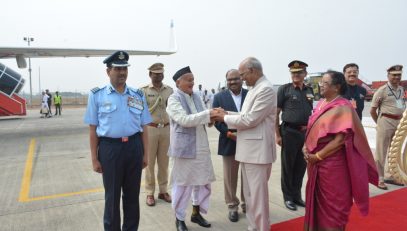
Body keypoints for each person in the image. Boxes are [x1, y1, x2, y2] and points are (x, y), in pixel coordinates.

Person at [84, 51, 152, 231]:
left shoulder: (137, 95)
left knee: (132, 196)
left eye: (125, 69)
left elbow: (144, 126)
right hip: (110, 149)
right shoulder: (97, 95)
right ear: (108, 72)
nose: (122, 73)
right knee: (112, 197)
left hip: (133, 147)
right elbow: (93, 129)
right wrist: (94, 158)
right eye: (117, 69)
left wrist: (146, 154)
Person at [303, 70, 378, 231]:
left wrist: (317, 156)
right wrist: (305, 147)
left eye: (324, 83)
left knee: (334, 206)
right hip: (315, 164)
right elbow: (312, 130)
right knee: (316, 203)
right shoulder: (321, 104)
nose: (320, 85)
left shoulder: (343, 107)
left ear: (336, 87)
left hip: (332, 166)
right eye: (321, 82)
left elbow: (340, 140)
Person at [212, 57, 277, 231]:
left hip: (257, 152)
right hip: (249, 151)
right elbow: (244, 114)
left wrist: (223, 117)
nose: (242, 79)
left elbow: (250, 119)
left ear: (252, 71)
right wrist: (226, 112)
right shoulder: (256, 88)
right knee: (250, 197)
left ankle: (262, 228)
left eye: (242, 75)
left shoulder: (266, 89)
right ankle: (253, 227)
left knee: (258, 198)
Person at [166, 66, 216, 231]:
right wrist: (208, 114)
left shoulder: (196, 96)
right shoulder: (173, 99)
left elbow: (204, 119)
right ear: (178, 82)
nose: (192, 83)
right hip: (184, 149)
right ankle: (179, 218)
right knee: (182, 184)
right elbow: (184, 120)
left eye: (193, 79)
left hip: (201, 147)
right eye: (189, 79)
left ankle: (196, 213)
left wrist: (213, 118)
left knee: (201, 182)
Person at [275, 60, 313, 211]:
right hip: (289, 132)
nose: (296, 75)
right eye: (293, 73)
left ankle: (297, 196)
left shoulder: (310, 90)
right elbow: (276, 113)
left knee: (301, 166)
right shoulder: (284, 90)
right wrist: (277, 135)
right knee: (288, 167)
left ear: (305, 74)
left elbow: (313, 111)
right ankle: (288, 198)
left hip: (305, 134)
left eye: (299, 72)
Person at [212, 69, 248, 222]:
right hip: (229, 140)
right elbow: (215, 119)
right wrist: (228, 133)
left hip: (248, 141)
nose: (232, 82)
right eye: (229, 80)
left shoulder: (250, 95)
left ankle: (248, 204)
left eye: (235, 79)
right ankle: (232, 206)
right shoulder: (219, 97)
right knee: (230, 177)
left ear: (242, 79)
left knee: (248, 176)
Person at [141, 63, 173, 206]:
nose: (158, 76)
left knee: (164, 162)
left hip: (166, 129)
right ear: (150, 75)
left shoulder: (169, 90)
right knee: (149, 163)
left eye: (161, 73)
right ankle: (149, 193)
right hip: (150, 129)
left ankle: (163, 190)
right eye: (155, 73)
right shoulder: (143, 91)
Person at [370, 65, 406, 189]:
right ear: (388, 76)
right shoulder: (382, 90)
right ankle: (379, 178)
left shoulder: (401, 89)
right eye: (394, 74)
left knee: (394, 151)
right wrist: (379, 123)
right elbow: (372, 110)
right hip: (385, 121)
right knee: (381, 151)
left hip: (398, 121)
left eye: (399, 75)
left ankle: (392, 175)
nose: (397, 77)